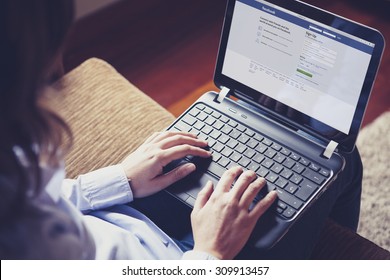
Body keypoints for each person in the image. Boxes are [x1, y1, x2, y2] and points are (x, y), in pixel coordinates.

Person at [0, 0, 362, 260]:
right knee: (342, 156)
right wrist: (210, 252)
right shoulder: (23, 239)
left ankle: (294, 84)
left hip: (128, 219)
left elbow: (48, 198)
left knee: (291, 130)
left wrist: (120, 179)